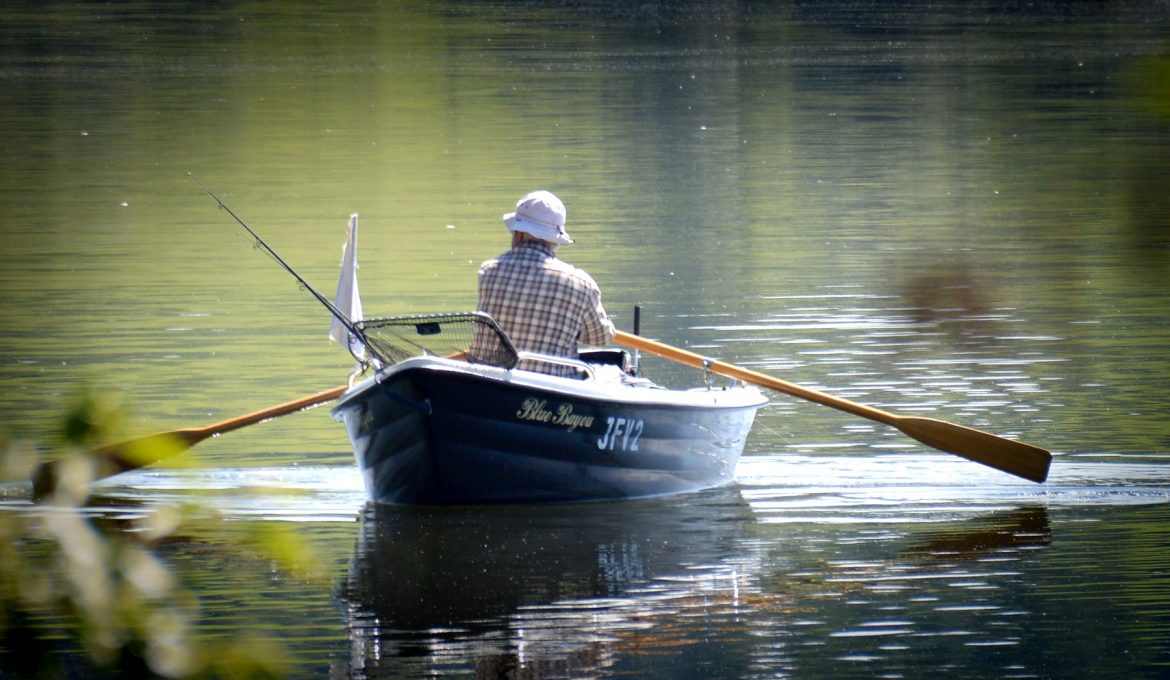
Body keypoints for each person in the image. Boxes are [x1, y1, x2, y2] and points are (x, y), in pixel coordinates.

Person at [473, 190, 615, 377]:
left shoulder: (488, 271)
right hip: (551, 387)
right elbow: (600, 338)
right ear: (555, 239)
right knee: (612, 373)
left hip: (489, 382)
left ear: (519, 233)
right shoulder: (582, 284)